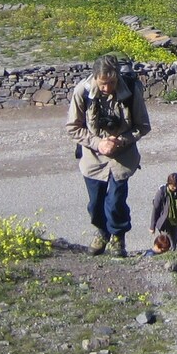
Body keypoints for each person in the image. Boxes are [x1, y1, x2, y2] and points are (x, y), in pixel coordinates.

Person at [67, 56, 151, 258]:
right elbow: (73, 128)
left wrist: (121, 141)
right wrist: (99, 143)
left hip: (122, 158)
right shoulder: (82, 92)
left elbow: (143, 126)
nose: (107, 88)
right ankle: (102, 232)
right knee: (95, 204)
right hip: (93, 160)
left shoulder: (131, 90)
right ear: (96, 78)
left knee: (115, 202)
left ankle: (117, 238)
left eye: (112, 83)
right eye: (103, 84)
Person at [148, 172, 177, 251]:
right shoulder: (162, 192)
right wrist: (152, 226)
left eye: (176, 186)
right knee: (168, 244)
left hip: (176, 221)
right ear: (169, 184)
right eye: (173, 186)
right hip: (165, 222)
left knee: (174, 244)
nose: (175, 188)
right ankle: (159, 253)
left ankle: (167, 256)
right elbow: (156, 209)